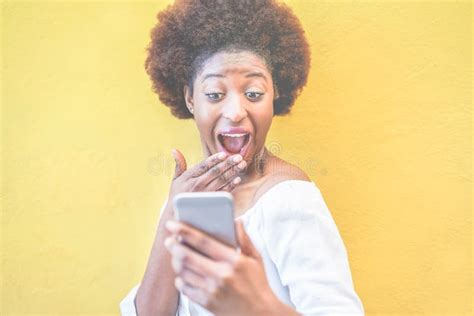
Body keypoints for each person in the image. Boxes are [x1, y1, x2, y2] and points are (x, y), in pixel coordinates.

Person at [120, 0, 364, 315]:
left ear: (275, 95)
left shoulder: (290, 200)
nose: (235, 112)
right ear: (189, 98)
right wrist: (171, 216)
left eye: (253, 93)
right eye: (214, 94)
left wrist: (254, 305)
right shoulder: (186, 197)